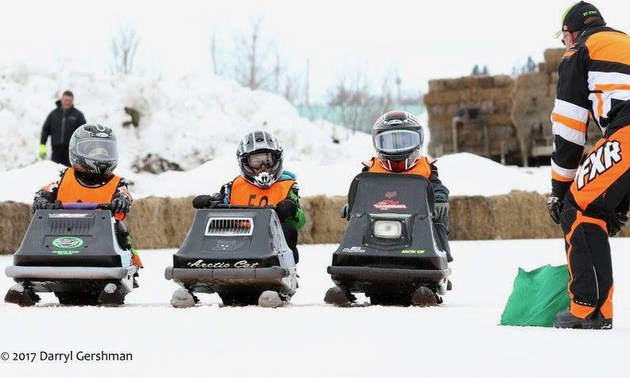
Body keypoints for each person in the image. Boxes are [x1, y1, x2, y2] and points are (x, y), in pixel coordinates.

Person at [546, 2, 630, 329]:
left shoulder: (580, 51)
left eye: (563, 37)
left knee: (579, 209)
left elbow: (569, 130)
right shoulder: (623, 42)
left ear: (571, 33)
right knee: (595, 204)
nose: (564, 44)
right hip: (623, 137)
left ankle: (588, 310)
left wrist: (558, 190)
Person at [33, 123, 143, 284]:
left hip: (100, 234)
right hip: (60, 229)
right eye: (94, 151)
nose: (101, 155)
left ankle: (127, 266)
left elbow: (125, 195)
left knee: (119, 227)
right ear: (76, 150)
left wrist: (121, 201)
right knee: (39, 222)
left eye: (106, 151)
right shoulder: (64, 176)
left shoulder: (118, 182)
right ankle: (31, 263)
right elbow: (46, 190)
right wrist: (41, 199)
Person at [193, 131, 306, 263]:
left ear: (277, 160)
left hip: (271, 242)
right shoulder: (232, 187)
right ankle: (201, 260)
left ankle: (281, 267)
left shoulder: (287, 186)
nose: (263, 167)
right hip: (236, 237)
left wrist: (290, 209)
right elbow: (221, 205)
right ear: (246, 163)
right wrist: (210, 203)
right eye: (256, 162)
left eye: (268, 161)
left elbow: (300, 222)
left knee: (288, 230)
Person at [361, 110, 452, 262]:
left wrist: (440, 199)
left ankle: (441, 256)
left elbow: (437, 187)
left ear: (419, 141)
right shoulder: (371, 169)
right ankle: (355, 256)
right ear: (377, 143)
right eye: (389, 142)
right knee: (357, 221)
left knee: (438, 218)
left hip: (418, 218)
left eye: (405, 140)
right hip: (379, 216)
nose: (397, 148)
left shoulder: (426, 167)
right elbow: (361, 191)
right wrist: (352, 204)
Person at [39, 90, 87, 166]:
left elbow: (85, 133)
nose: (67, 102)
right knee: (55, 174)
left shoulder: (78, 115)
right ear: (61, 100)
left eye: (69, 100)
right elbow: (45, 130)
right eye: (65, 100)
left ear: (72, 101)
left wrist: (83, 150)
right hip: (56, 152)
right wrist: (42, 147)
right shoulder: (53, 114)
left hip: (71, 153)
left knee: (69, 174)